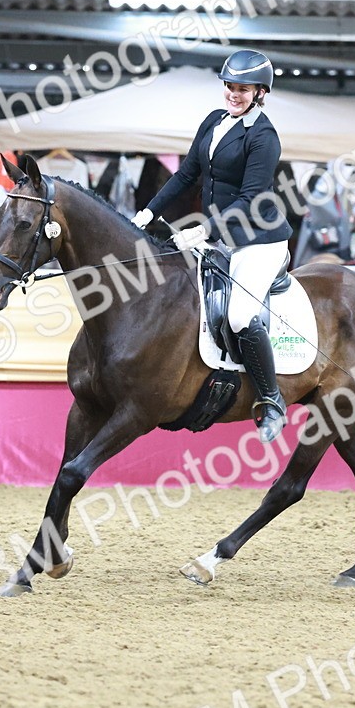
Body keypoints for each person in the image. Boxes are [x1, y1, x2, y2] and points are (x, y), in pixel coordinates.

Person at [131, 49, 292, 443]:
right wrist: (148, 212)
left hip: (258, 241)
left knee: (239, 317)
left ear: (260, 93)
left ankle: (272, 401)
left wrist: (204, 229)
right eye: (230, 86)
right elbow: (187, 174)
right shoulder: (214, 121)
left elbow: (250, 197)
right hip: (222, 238)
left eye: (243, 89)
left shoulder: (264, 136)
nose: (234, 94)